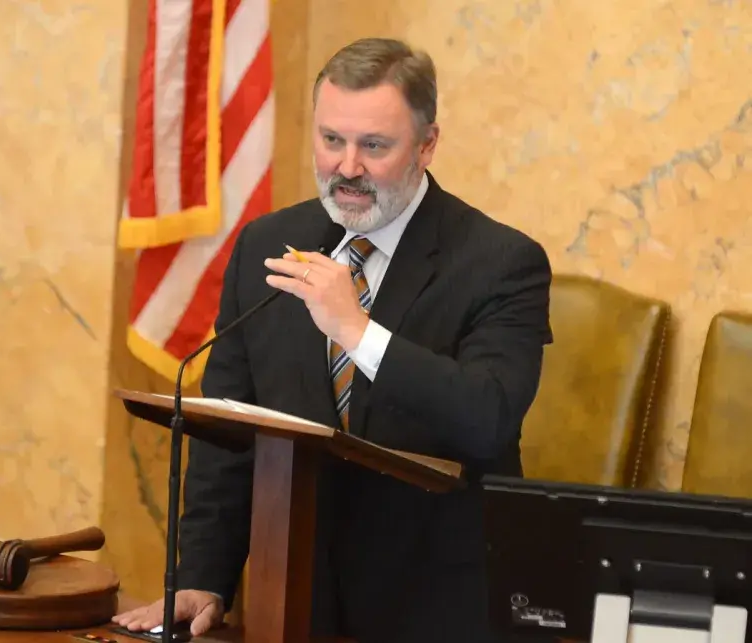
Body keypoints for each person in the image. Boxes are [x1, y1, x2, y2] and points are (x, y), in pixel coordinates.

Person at [113, 37, 553, 643]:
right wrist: (204, 577)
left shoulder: (501, 263)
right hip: (294, 600)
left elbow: (488, 417)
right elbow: (227, 438)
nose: (347, 168)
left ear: (427, 145)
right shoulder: (268, 244)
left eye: (374, 146)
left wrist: (356, 330)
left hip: (439, 611)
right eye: (331, 140)